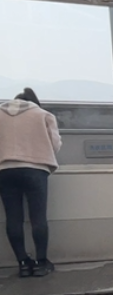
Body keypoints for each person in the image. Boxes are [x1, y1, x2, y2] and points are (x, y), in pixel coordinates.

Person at [0, 87, 61, 277]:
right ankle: (41, 263)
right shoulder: (43, 114)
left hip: (4, 169)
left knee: (13, 218)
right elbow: (55, 144)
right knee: (38, 217)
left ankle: (23, 264)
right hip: (36, 169)